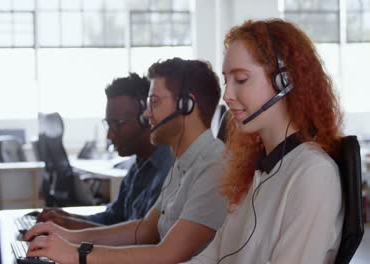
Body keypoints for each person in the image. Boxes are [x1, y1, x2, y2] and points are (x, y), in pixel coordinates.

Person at [24, 58, 227, 263]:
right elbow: (144, 230)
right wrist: (66, 237)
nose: (147, 114)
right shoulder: (181, 164)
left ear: (186, 105)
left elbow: (164, 254)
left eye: (154, 102)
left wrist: (77, 254)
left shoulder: (213, 167)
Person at [185, 19, 343, 264]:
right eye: (227, 80)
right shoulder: (256, 171)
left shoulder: (312, 174)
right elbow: (214, 254)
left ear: (284, 81)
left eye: (241, 79)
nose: (227, 95)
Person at [36, 73, 174, 229]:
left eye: (118, 124)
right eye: (108, 124)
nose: (110, 135)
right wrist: (68, 219)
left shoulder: (168, 171)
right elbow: (113, 218)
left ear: (146, 118)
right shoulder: (138, 166)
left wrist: (70, 225)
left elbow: (139, 239)